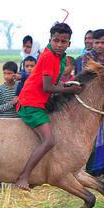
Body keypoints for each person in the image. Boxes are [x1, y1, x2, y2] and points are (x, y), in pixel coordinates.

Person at [12, 23, 79, 190]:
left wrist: (66, 85)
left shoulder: (62, 57)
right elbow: (48, 87)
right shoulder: (49, 56)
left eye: (64, 42)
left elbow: (55, 82)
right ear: (50, 40)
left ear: (69, 44)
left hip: (40, 101)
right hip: (30, 103)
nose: (59, 44)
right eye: (56, 40)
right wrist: (70, 89)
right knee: (49, 141)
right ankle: (23, 177)